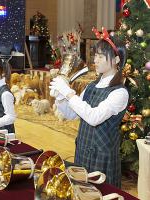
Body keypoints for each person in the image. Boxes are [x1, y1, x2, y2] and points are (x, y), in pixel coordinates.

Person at [49, 27, 128, 188]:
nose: (95, 60)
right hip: (83, 152)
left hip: (102, 158)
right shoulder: (92, 86)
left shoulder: (120, 92)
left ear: (117, 59)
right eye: (95, 56)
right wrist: (60, 97)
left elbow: (93, 117)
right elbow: (71, 114)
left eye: (100, 56)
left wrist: (68, 92)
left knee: (101, 194)